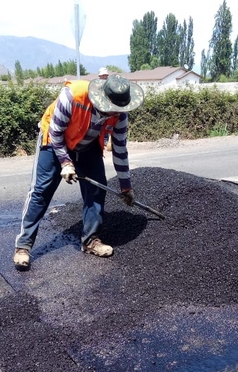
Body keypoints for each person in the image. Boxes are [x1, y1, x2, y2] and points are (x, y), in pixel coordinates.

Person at [13, 74, 145, 270]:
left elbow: (119, 149)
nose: (113, 114)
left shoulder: (121, 114)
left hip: (88, 144)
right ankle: (23, 246)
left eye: (117, 110)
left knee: (97, 188)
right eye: (111, 109)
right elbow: (56, 133)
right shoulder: (72, 95)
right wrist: (66, 162)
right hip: (55, 140)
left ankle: (90, 240)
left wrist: (126, 187)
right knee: (42, 190)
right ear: (102, 98)